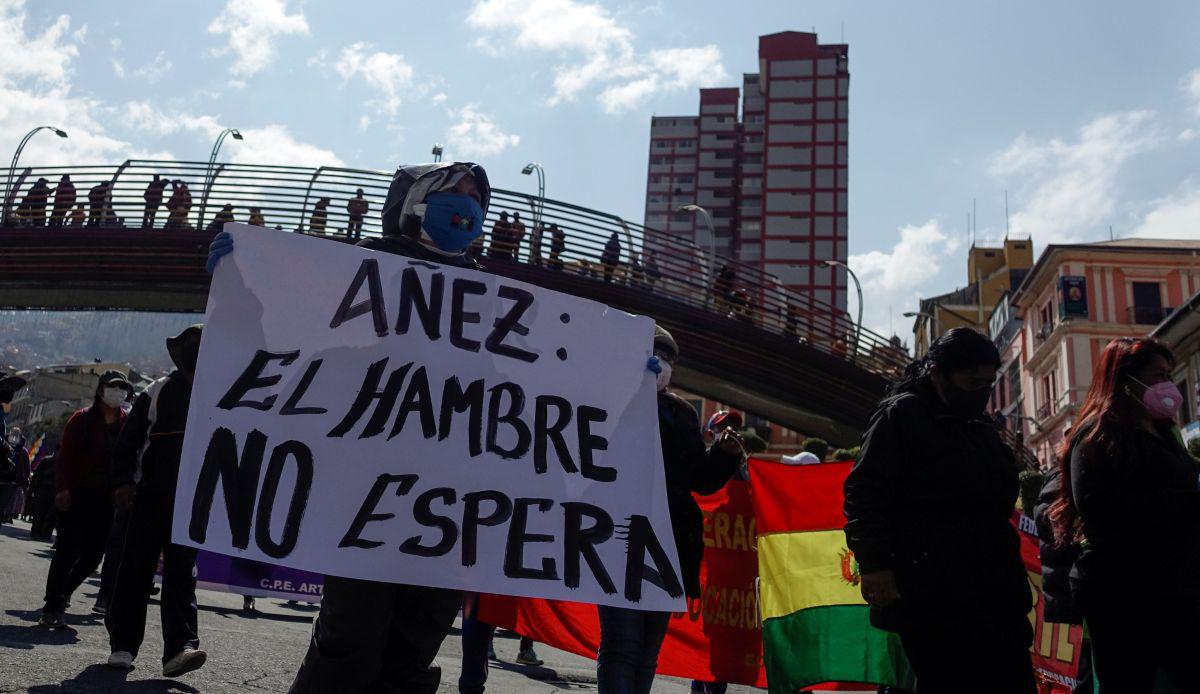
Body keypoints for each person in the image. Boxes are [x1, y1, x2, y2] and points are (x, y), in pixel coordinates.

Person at [209, 161, 496, 694]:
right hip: (364, 489)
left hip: (445, 501)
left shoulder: (492, 296)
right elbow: (291, 331)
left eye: (477, 197)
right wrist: (243, 285)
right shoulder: (365, 266)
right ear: (416, 203)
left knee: (419, 637)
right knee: (354, 634)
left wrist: (626, 382)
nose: (467, 205)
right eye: (454, 192)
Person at [843, 327, 1034, 694]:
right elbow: (865, 492)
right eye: (971, 380)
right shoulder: (901, 416)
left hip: (995, 590)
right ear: (937, 374)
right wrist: (875, 565)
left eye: (988, 382)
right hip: (932, 591)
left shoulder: (980, 426)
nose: (981, 390)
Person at [597, 326, 744, 694]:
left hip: (668, 543)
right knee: (622, 643)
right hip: (619, 539)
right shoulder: (607, 401)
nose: (661, 364)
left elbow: (700, 480)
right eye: (655, 355)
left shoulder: (682, 413)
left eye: (668, 359)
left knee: (648, 648)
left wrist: (723, 457)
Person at [1050, 337, 1200, 692]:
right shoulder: (1096, 436)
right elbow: (1104, 512)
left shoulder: (1163, 430)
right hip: (1122, 590)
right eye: (1157, 375)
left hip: (1174, 585)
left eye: (1168, 374)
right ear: (1125, 381)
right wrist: (1189, 501)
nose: (1166, 384)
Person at [105, 325, 207, 676]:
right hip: (149, 497)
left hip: (192, 503)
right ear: (180, 355)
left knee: (182, 574)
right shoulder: (157, 392)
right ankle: (122, 645)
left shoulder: (223, 394)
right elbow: (128, 443)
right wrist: (122, 483)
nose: (197, 352)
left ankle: (179, 649)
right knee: (135, 569)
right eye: (191, 347)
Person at [38, 370, 133, 628]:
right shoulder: (81, 420)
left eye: (123, 388)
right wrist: (61, 489)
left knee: (93, 556)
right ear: (101, 389)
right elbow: (65, 458)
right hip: (77, 494)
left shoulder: (126, 423)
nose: (118, 392)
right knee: (67, 551)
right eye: (113, 386)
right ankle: (52, 606)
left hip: (106, 499)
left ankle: (64, 591)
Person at [28, 448, 58, 540]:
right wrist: (32, 490)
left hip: (54, 492)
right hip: (43, 490)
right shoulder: (46, 461)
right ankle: (36, 532)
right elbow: (37, 475)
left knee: (50, 515)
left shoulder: (63, 464)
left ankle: (45, 534)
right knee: (39, 512)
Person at [5, 428, 31, 523]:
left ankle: (8, 514)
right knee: (11, 497)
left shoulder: (23, 451)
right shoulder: (7, 445)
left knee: (12, 497)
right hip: (8, 475)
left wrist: (26, 477)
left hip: (16, 478)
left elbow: (27, 466)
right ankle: (7, 514)